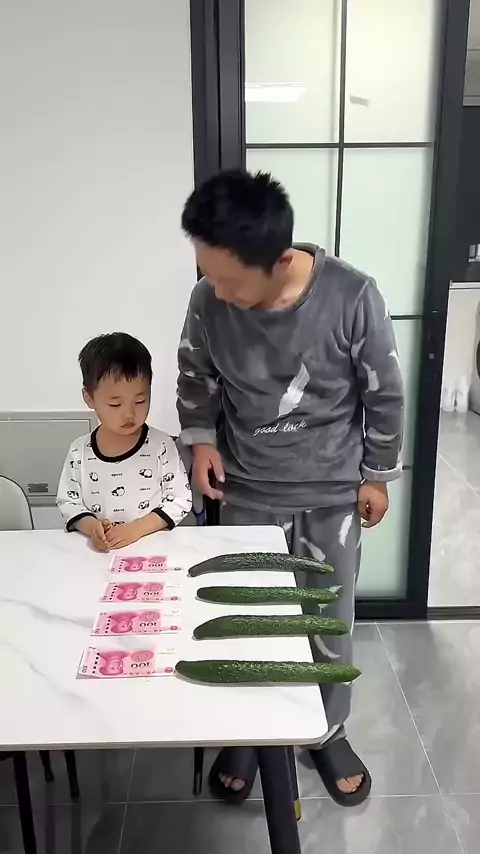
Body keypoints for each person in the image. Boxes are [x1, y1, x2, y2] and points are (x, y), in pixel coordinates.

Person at [177, 169, 404, 807]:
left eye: (230, 281)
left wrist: (378, 474)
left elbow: (384, 393)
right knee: (249, 618)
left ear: (279, 261)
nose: (217, 291)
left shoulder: (352, 295)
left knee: (326, 621)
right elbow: (195, 372)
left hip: (333, 494)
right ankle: (250, 731)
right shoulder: (208, 298)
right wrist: (202, 439)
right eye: (207, 274)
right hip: (246, 491)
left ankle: (325, 731)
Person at [57, 332, 192, 550]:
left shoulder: (162, 446)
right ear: (89, 399)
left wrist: (136, 530)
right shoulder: (79, 451)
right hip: (99, 555)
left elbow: (180, 500)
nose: (129, 414)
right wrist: (92, 528)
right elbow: (68, 501)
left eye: (140, 401)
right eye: (115, 405)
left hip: (153, 550)